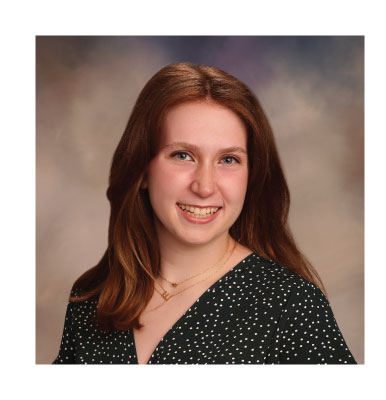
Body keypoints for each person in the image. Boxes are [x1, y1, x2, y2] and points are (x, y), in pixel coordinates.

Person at [53, 62, 356, 364]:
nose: (205, 186)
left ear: (251, 176)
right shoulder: (91, 297)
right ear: (142, 169)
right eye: (183, 155)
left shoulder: (292, 306)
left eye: (228, 160)